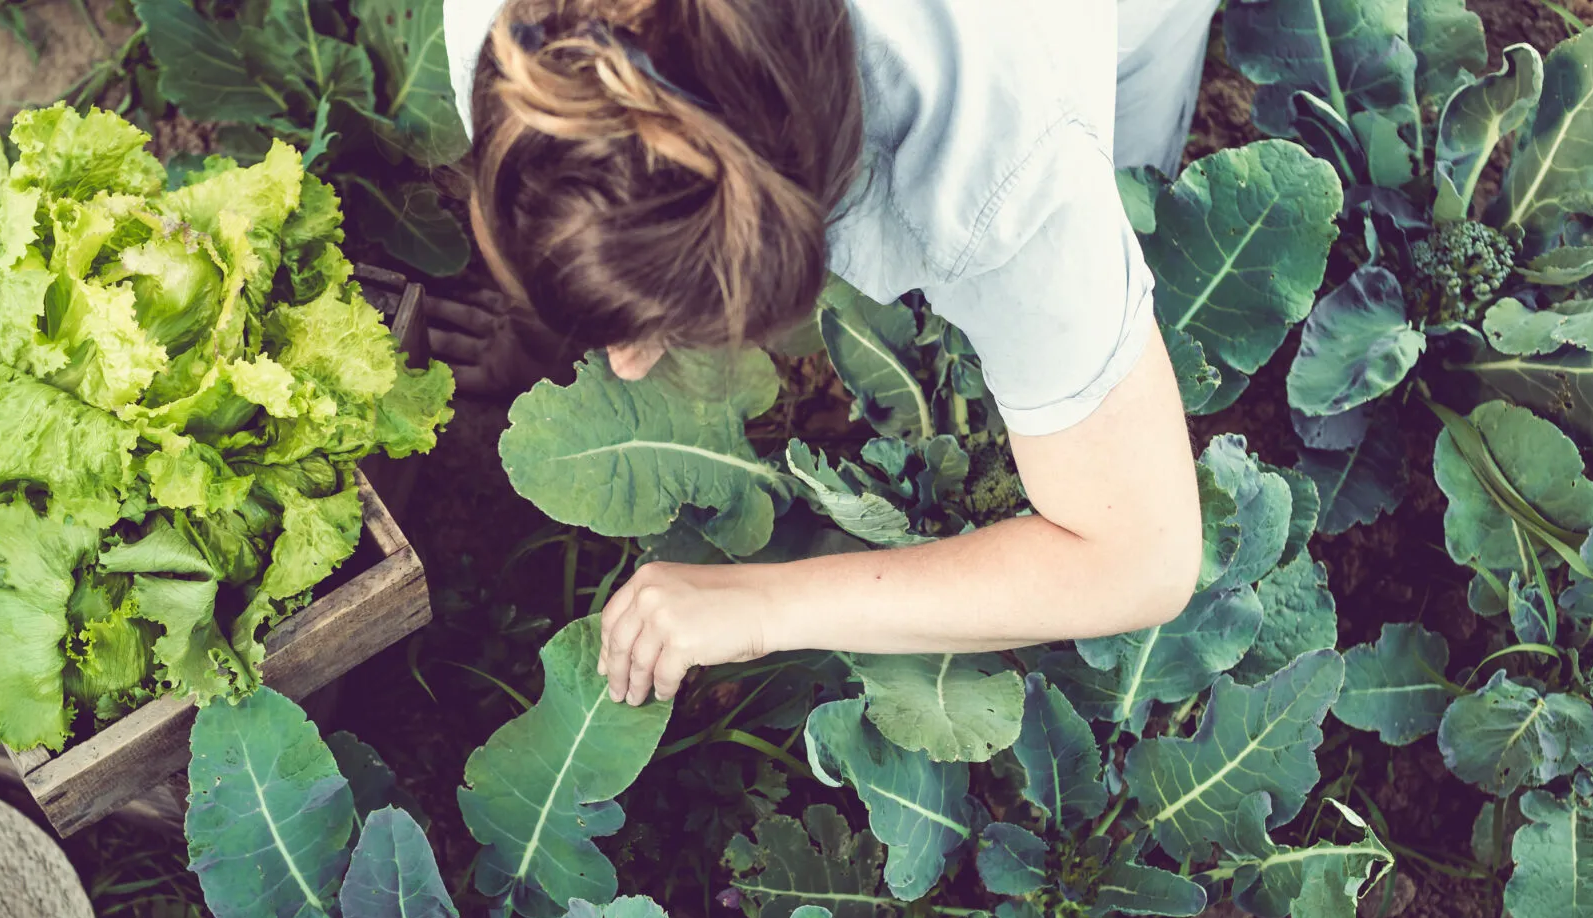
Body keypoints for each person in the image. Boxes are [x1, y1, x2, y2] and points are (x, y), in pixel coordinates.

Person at [438, 0, 1216, 707]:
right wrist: (556, 314)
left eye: (667, 329)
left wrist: (764, 604)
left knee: (1134, 186)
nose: (627, 368)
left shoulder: (1012, 169)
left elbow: (1140, 556)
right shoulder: (500, 29)